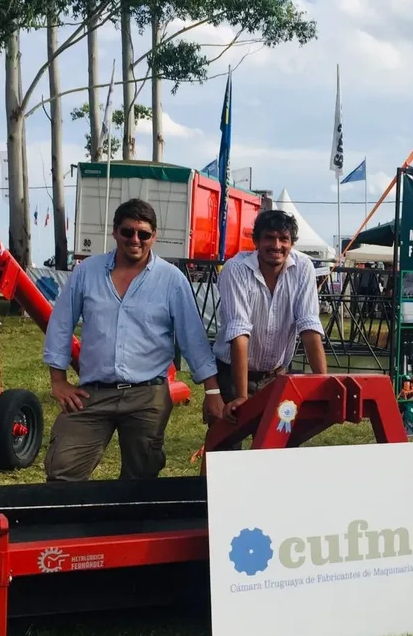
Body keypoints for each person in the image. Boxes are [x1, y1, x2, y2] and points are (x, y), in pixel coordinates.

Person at [42, 198, 224, 481]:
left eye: (143, 233)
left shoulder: (171, 279)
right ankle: (72, 525)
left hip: (147, 395)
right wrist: (58, 381)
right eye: (127, 232)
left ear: (154, 236)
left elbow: (193, 338)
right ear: (115, 232)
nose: (135, 240)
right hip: (93, 392)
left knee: (142, 477)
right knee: (62, 469)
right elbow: (61, 324)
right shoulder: (87, 272)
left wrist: (212, 393)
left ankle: (130, 526)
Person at [214, 209, 327, 421]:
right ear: (256, 241)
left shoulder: (303, 267)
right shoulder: (236, 268)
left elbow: (309, 327)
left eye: (283, 239)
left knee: (276, 445)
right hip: (231, 375)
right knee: (226, 448)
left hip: (276, 375)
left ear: (292, 243)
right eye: (269, 238)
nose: (276, 246)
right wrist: (241, 396)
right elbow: (239, 331)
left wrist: (324, 385)